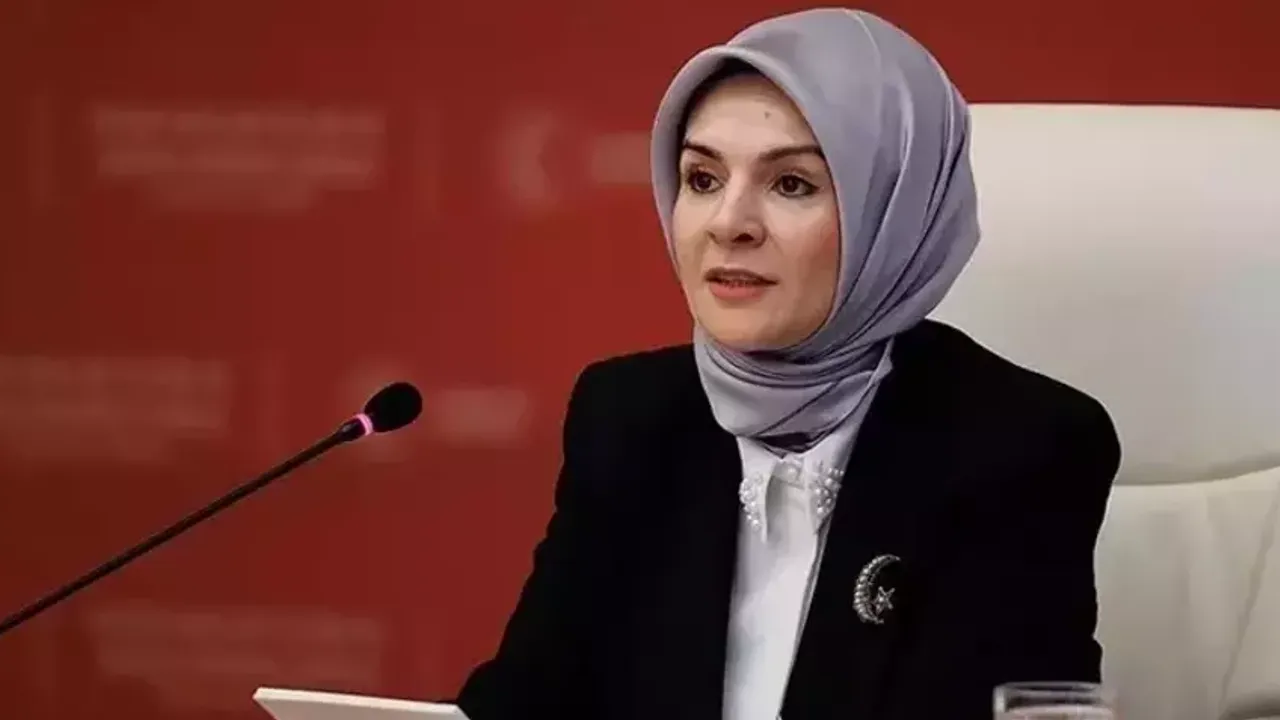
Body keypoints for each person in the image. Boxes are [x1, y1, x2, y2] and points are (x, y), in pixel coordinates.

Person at [456, 7, 1121, 720]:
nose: (728, 223)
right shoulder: (628, 418)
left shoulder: (1021, 447)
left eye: (791, 184)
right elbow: (523, 701)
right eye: (702, 178)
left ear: (891, 215)